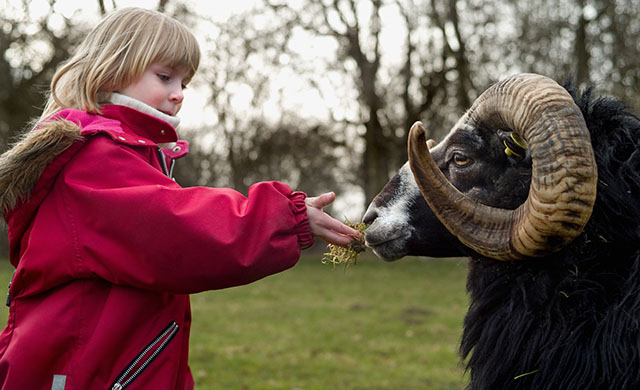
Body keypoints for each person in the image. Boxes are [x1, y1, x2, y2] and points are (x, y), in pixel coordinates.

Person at [0, 7, 358, 390]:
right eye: (165, 76)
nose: (178, 95)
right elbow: (176, 227)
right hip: (83, 372)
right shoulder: (94, 160)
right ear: (111, 69)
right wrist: (285, 216)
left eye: (184, 83)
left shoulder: (129, 153)